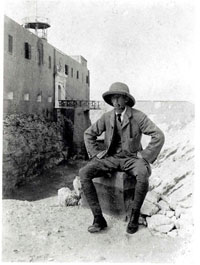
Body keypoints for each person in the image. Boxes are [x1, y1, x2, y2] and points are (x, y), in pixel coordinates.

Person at [79, 82, 165, 234]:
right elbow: (88, 134)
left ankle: (134, 216)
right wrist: (96, 154)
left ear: (126, 99)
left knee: (143, 174)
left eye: (119, 98)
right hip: (111, 158)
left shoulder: (138, 116)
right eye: (113, 98)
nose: (116, 102)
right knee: (84, 173)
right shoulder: (107, 117)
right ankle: (98, 218)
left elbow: (158, 135)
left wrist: (144, 156)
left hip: (132, 158)